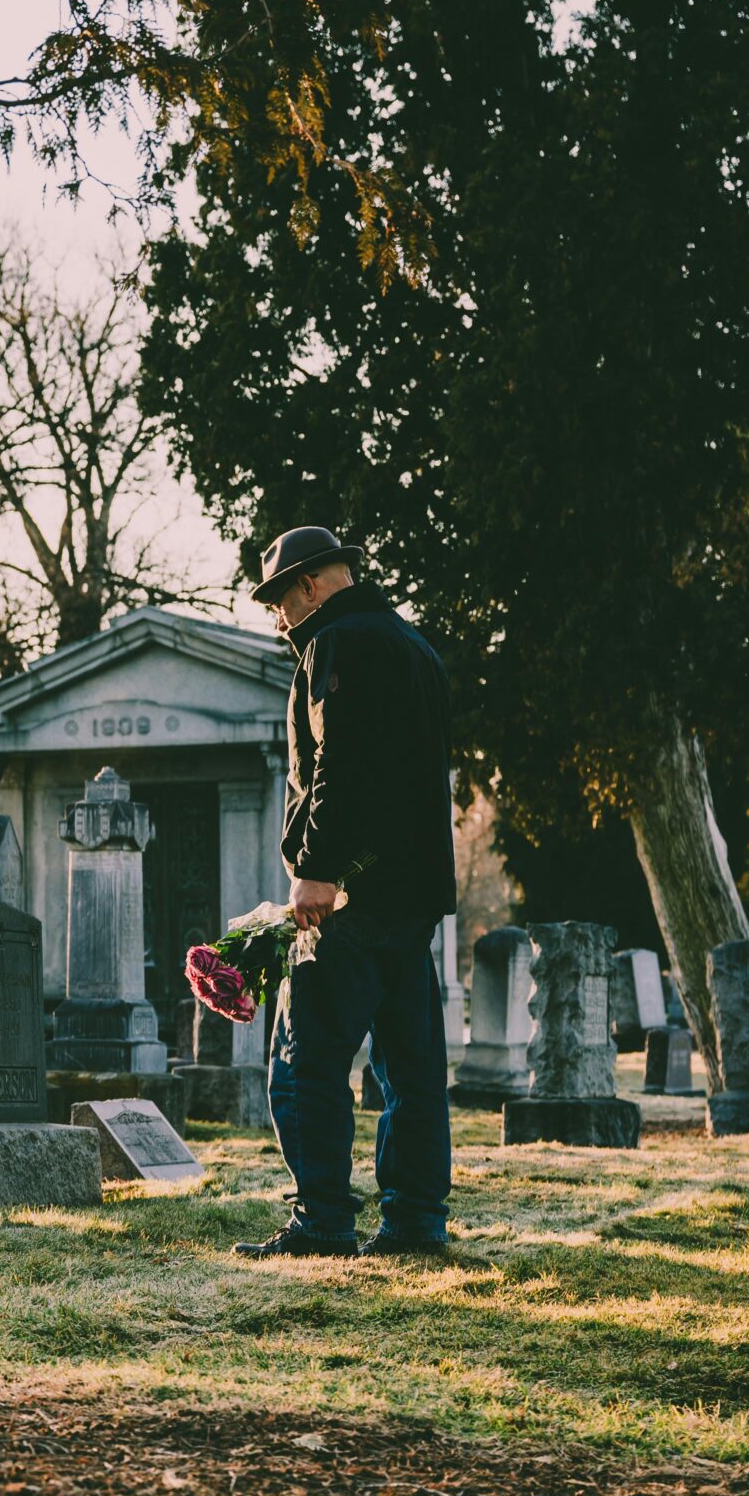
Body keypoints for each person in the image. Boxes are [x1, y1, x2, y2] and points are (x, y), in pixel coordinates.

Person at [232, 526, 457, 1260]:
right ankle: (415, 1221)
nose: (277, 619)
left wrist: (317, 868)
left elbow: (340, 764)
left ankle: (324, 1218)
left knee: (305, 1061)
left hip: (350, 893)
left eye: (277, 600)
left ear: (309, 585)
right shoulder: (415, 648)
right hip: (413, 894)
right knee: (410, 1067)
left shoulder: (338, 644)